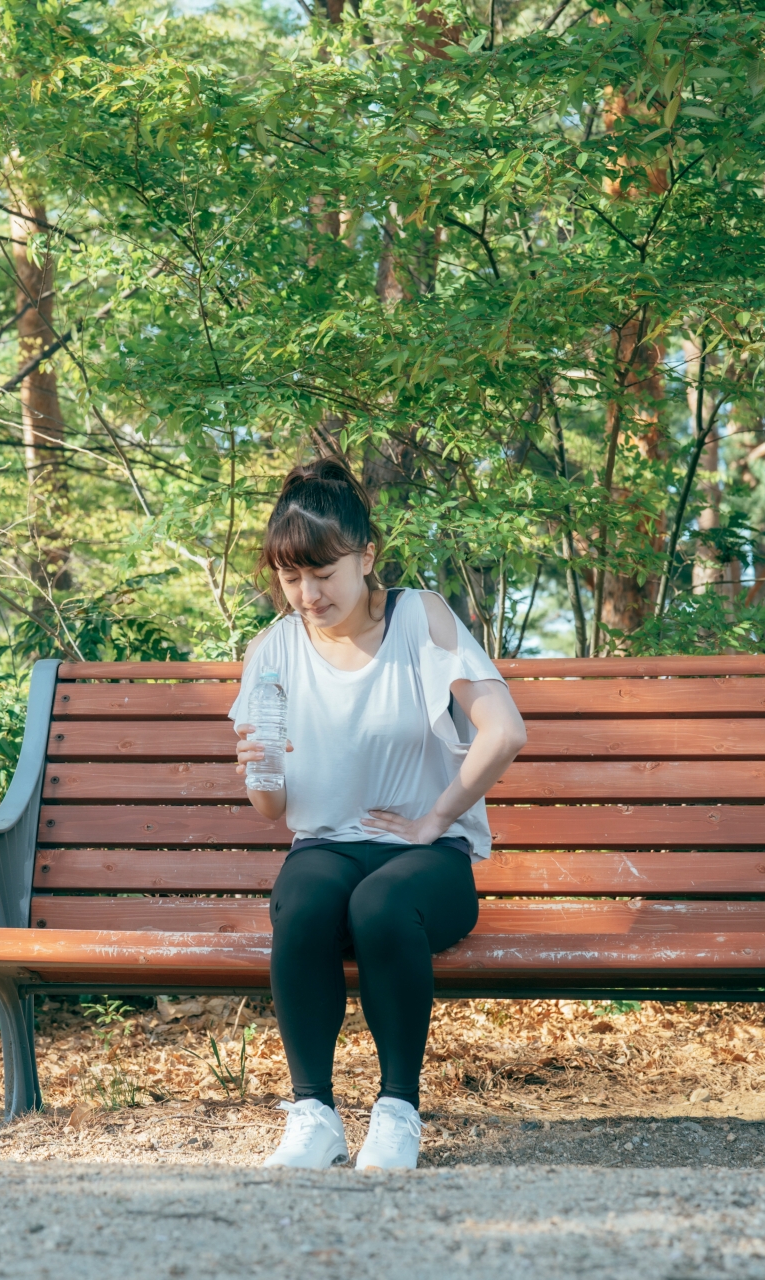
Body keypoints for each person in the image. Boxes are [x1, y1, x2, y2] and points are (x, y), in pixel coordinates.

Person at [231, 459, 528, 1171]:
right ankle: (314, 1116)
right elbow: (273, 810)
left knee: (381, 904)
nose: (307, 594)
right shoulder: (271, 652)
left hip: (427, 863)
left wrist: (436, 819)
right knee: (302, 902)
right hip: (326, 849)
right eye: (290, 577)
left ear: (366, 556)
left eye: (322, 573)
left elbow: (505, 730)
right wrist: (258, 767)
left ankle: (397, 1113)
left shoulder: (420, 619)